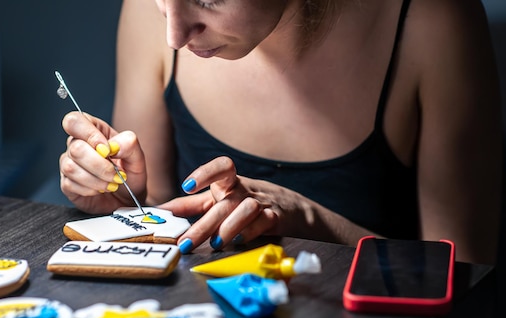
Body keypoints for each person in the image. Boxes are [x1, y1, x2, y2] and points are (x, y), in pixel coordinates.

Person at [58, 0, 502, 265]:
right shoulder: (152, 13)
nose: (173, 35)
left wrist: (307, 220)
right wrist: (121, 202)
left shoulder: (432, 21)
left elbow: (465, 280)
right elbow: (156, 211)